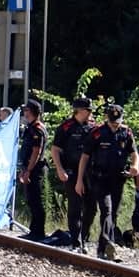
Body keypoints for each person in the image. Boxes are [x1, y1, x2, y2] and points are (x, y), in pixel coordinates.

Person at [75, 104, 138, 261]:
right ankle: (106, 243)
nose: (114, 125)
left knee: (113, 213)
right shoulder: (96, 133)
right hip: (99, 178)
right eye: (112, 122)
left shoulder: (126, 132)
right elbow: (85, 157)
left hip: (118, 178)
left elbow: (134, 152)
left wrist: (134, 166)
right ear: (106, 119)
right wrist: (79, 180)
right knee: (106, 209)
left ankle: (103, 248)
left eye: (117, 122)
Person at [51, 97, 94, 251]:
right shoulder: (66, 127)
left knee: (91, 207)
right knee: (75, 206)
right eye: (88, 110)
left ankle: (85, 237)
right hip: (71, 171)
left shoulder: (93, 127)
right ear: (81, 111)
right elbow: (55, 149)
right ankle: (76, 241)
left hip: (90, 172)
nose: (90, 113)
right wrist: (60, 169)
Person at [17, 99, 48, 240]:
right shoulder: (30, 127)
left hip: (35, 169)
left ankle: (38, 232)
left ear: (34, 112)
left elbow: (36, 151)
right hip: (29, 168)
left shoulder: (37, 129)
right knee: (31, 199)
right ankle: (34, 230)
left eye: (27, 111)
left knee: (35, 200)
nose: (25, 113)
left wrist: (28, 170)